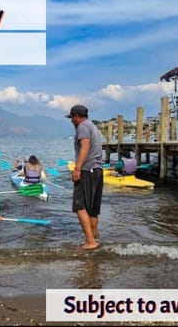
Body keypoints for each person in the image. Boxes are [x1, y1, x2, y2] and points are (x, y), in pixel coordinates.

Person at [66, 104, 103, 250]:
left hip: (88, 170)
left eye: (72, 118)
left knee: (79, 206)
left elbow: (85, 147)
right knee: (92, 209)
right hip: (97, 170)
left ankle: (90, 242)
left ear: (76, 117)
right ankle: (93, 239)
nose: (71, 121)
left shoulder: (82, 127)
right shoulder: (93, 126)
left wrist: (77, 168)